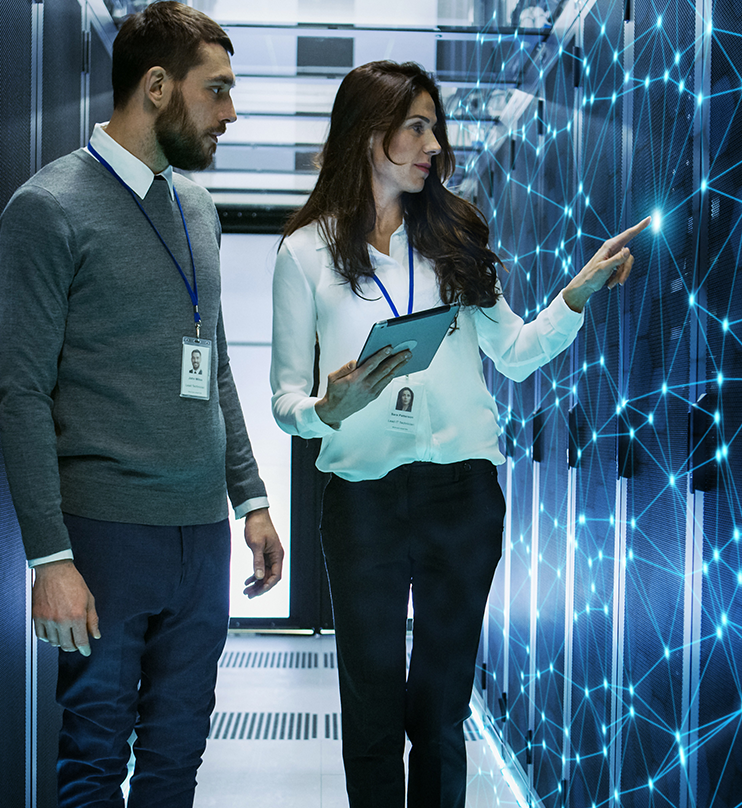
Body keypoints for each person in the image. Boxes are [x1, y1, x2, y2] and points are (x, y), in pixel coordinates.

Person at [269, 60, 647, 808]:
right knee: (370, 709)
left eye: (433, 127)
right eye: (415, 126)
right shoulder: (304, 254)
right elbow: (284, 399)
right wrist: (328, 406)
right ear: (367, 132)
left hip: (461, 496)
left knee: (440, 712)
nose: (432, 144)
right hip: (361, 502)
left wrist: (576, 295)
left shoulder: (453, 234)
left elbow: (513, 352)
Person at [0, 3, 284, 807]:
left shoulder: (196, 209)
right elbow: (20, 394)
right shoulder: (47, 208)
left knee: (175, 759)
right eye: (216, 91)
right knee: (92, 760)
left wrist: (252, 503)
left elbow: (215, 366)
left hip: (199, 539)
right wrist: (49, 558)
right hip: (104, 539)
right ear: (156, 87)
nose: (230, 112)